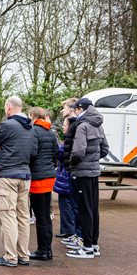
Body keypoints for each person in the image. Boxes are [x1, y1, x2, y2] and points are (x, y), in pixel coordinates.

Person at [0, 96, 38, 267]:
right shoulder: (31, 127)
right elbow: (34, 152)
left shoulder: (7, 125)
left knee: (7, 215)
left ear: (9, 107)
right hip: (25, 175)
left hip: (8, 175)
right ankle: (23, 254)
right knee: (23, 216)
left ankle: (10, 256)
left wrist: (3, 150)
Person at [66, 98, 109, 259]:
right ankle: (94, 245)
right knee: (93, 209)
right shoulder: (98, 125)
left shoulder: (82, 126)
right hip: (94, 173)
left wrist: (72, 164)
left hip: (82, 173)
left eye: (75, 109)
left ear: (79, 109)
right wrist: (93, 159)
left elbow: (78, 151)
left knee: (84, 210)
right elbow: (104, 149)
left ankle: (87, 247)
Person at [28, 107, 58, 260]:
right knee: (46, 215)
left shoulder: (33, 131)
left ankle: (43, 251)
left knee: (40, 216)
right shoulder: (51, 132)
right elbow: (55, 154)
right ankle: (48, 249)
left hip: (37, 179)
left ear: (33, 116)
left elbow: (32, 153)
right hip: (49, 176)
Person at [60, 98, 84, 249]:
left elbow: (75, 150)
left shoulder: (76, 125)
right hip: (70, 170)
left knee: (75, 205)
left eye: (64, 108)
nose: (62, 111)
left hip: (73, 170)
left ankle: (78, 235)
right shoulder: (75, 124)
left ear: (72, 108)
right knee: (71, 203)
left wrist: (69, 163)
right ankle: (74, 233)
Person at [54, 117, 74, 239]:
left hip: (66, 176)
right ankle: (67, 229)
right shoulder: (69, 139)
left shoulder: (69, 141)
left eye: (65, 125)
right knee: (66, 204)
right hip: (66, 174)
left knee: (66, 204)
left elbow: (61, 154)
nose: (63, 127)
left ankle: (69, 231)